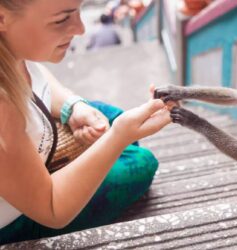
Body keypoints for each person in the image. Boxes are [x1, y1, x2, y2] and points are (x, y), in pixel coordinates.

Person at [0, 0, 171, 245]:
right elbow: (52, 208)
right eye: (61, 19)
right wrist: (118, 137)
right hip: (21, 216)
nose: (81, 29)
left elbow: (36, 73)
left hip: (33, 146)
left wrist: (72, 106)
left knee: (109, 115)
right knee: (141, 161)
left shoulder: (11, 46)